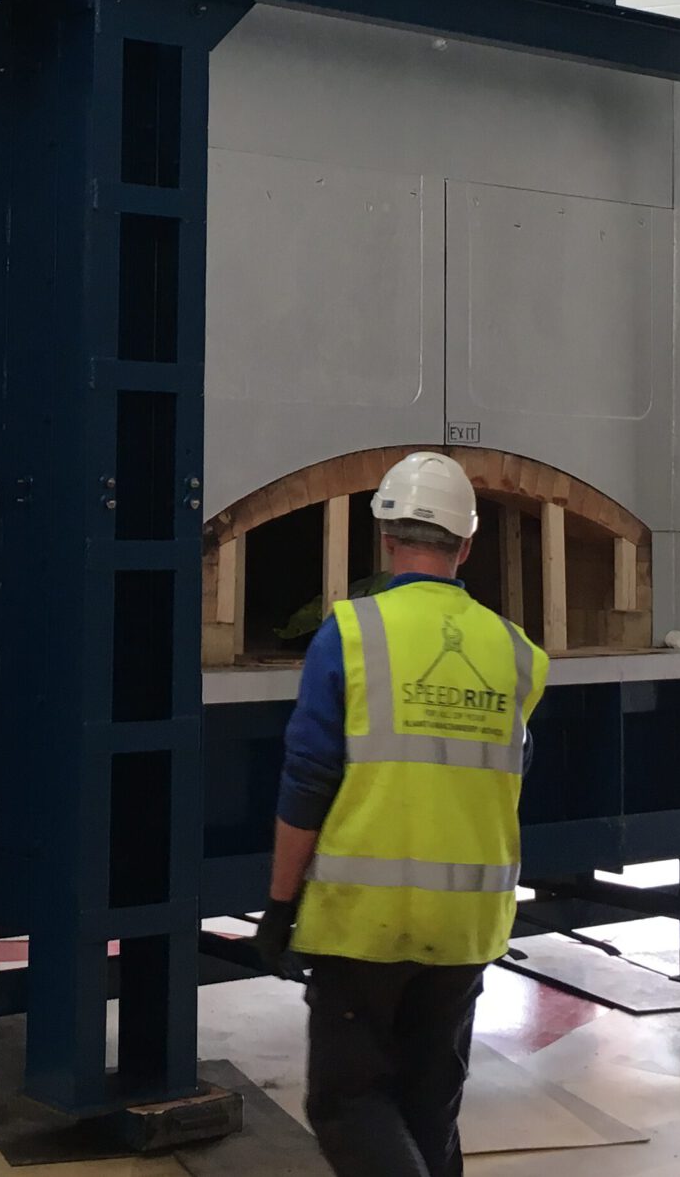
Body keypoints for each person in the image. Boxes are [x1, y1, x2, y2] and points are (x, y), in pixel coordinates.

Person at [253, 452, 549, 1177]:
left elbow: (307, 783)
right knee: (428, 1105)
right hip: (465, 927)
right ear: (468, 545)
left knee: (348, 1104)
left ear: (384, 538)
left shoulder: (351, 635)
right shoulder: (514, 652)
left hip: (362, 923)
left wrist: (279, 905)